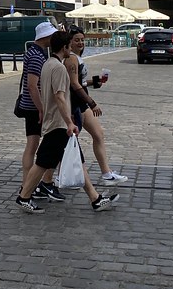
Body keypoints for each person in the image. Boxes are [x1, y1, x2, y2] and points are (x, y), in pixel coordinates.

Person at [15, 30, 117, 214]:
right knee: (42, 163)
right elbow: (60, 97)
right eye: (70, 45)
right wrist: (69, 122)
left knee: (74, 159)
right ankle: (24, 197)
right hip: (58, 124)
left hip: (54, 122)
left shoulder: (48, 64)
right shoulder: (60, 68)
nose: (72, 49)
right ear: (64, 47)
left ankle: (95, 198)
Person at [64, 26, 127, 184]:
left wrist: (96, 81)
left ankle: (106, 174)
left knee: (98, 134)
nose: (80, 43)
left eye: (82, 40)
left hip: (81, 104)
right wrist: (92, 103)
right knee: (68, 142)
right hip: (74, 104)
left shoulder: (78, 58)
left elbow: (81, 82)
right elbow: (74, 84)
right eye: (76, 40)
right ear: (69, 42)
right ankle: (52, 175)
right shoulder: (71, 58)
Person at [13, 22, 56, 187]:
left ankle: (28, 183)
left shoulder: (32, 52)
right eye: (51, 35)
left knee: (32, 144)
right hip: (33, 107)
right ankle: (28, 183)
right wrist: (41, 108)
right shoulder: (37, 56)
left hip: (31, 105)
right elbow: (32, 85)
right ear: (45, 37)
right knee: (33, 145)